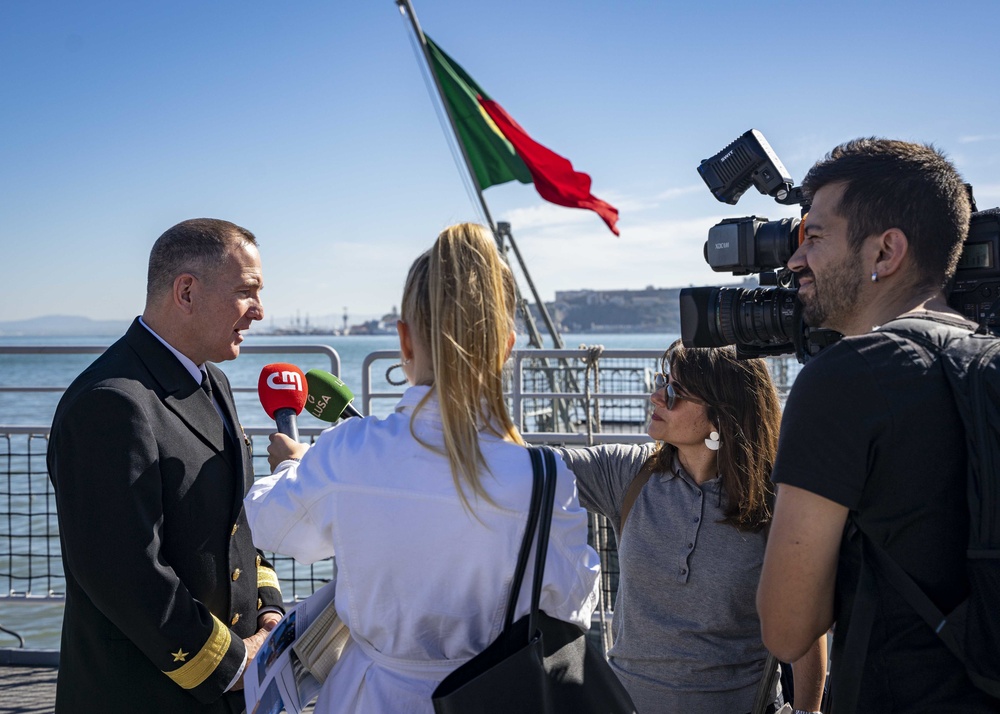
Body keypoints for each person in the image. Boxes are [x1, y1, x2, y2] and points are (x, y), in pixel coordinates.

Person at [244, 223, 601, 714]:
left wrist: (293, 469)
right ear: (507, 345)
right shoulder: (542, 475)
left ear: (405, 341)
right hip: (495, 699)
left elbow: (270, 526)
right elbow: (574, 604)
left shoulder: (350, 452)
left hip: (366, 697)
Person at [757, 138, 999, 712]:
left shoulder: (845, 378)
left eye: (814, 238)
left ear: (886, 251)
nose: (794, 261)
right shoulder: (984, 360)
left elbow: (788, 628)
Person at [47, 218, 284, 713]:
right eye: (247, 292)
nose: (259, 311)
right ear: (186, 291)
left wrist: (268, 610)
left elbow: (236, 522)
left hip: (224, 685)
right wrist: (232, 667)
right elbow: (126, 575)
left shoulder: (211, 380)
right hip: (145, 695)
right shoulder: (110, 402)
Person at [556, 341, 826, 714]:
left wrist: (807, 712)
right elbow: (530, 468)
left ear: (721, 416)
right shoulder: (628, 474)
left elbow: (805, 631)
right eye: (662, 382)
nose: (656, 397)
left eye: (674, 392)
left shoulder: (774, 501)